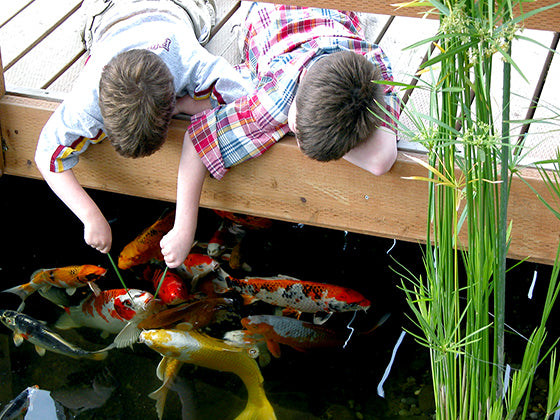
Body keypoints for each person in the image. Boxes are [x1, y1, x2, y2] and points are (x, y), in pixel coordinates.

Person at [160, 3, 401, 268]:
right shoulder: (273, 99)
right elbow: (197, 140)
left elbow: (381, 160)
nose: (293, 132)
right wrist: (184, 228)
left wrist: (302, 126)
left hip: (328, 13)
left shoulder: (374, 61)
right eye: (295, 126)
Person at [34, 0, 252, 254]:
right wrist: (90, 215)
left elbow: (248, 98)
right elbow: (45, 153)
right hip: (110, 12)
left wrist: (183, 105)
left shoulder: (186, 58)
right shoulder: (87, 100)